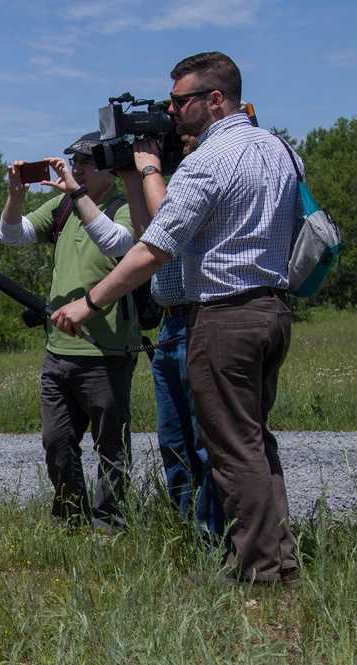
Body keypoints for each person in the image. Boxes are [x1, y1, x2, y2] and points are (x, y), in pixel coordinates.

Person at [51, 52, 301, 585]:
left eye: (180, 100)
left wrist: (89, 302)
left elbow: (153, 247)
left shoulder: (211, 159)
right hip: (272, 310)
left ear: (215, 99)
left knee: (231, 449)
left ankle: (256, 570)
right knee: (255, 441)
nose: (171, 111)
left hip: (226, 316)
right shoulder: (277, 147)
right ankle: (277, 559)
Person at [0, 132, 142, 532]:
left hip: (107, 347)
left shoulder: (127, 206)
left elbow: (117, 244)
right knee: (56, 443)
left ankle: (109, 525)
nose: (75, 168)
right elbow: (11, 236)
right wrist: (16, 197)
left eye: (86, 162)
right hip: (58, 349)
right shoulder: (62, 206)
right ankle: (72, 521)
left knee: (111, 447)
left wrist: (79, 195)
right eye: (73, 161)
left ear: (111, 170)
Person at [131, 135, 225, 540]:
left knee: (207, 439)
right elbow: (147, 235)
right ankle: (186, 527)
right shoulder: (159, 189)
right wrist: (132, 179)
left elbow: (172, 231)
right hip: (170, 325)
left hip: (198, 318)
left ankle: (215, 537)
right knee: (173, 439)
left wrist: (150, 171)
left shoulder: (196, 177)